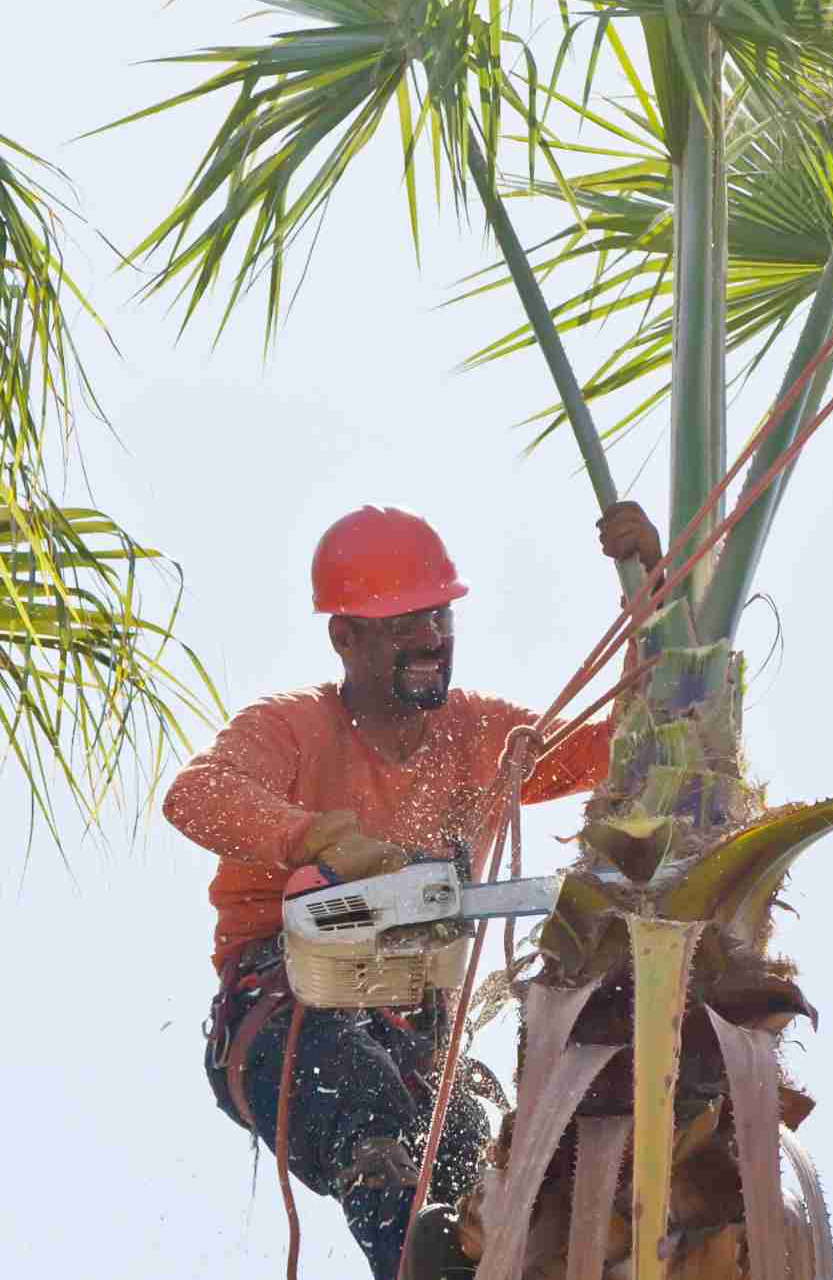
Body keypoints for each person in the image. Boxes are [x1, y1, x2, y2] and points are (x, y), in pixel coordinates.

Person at [164, 502, 663, 1277]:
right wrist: (319, 836)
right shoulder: (293, 728)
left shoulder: (480, 736)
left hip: (414, 1044)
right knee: (375, 1129)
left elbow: (628, 742)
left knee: (488, 1176)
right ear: (345, 638)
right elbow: (196, 793)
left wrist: (651, 594)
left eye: (438, 618)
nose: (431, 638)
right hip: (286, 1015)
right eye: (403, 626)